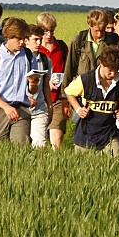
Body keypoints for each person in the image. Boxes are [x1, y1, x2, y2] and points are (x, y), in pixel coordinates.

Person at [64, 45, 119, 154]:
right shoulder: (86, 79)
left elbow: (118, 101)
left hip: (109, 135)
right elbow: (69, 92)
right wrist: (78, 109)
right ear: (101, 63)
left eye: (116, 70)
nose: (113, 74)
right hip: (86, 135)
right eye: (110, 70)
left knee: (117, 163)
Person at [0, 17, 35, 145]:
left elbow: (33, 90)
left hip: (21, 110)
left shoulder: (28, 56)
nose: (23, 42)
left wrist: (34, 84)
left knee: (21, 150)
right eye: (19, 39)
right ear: (9, 37)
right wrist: (6, 107)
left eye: (25, 38)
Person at [37, 12, 69, 149]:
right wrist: (45, 82)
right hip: (39, 98)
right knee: (39, 140)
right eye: (45, 31)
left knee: (57, 138)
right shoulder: (35, 49)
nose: (49, 35)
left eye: (51, 31)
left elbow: (68, 72)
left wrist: (67, 99)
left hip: (58, 98)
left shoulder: (61, 47)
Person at [63, 9, 119, 87]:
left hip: (104, 87)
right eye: (96, 30)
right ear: (89, 25)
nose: (99, 34)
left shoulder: (113, 41)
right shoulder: (78, 41)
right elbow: (69, 68)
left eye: (102, 30)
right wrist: (64, 95)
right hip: (82, 87)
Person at [22, 25, 53, 147]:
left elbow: (46, 85)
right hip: (22, 108)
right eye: (35, 39)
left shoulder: (46, 60)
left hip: (39, 108)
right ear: (26, 40)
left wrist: (49, 106)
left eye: (41, 39)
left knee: (40, 145)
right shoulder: (20, 58)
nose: (39, 43)